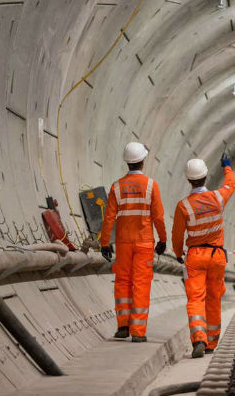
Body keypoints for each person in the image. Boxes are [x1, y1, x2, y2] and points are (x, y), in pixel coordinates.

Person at [100, 142, 167, 342]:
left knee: (122, 283)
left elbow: (109, 218)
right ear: (143, 161)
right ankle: (138, 331)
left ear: (127, 163)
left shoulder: (116, 186)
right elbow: (159, 217)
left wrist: (104, 242)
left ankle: (123, 326)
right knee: (141, 284)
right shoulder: (151, 185)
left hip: (123, 243)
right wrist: (163, 240)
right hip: (144, 242)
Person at [171, 155, 235, 358]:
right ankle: (212, 342)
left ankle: (199, 338)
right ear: (206, 176)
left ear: (188, 180)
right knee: (214, 297)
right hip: (216, 256)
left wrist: (177, 252)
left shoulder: (184, 206)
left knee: (196, 299)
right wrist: (227, 166)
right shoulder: (218, 197)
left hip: (195, 256)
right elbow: (230, 184)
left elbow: (177, 233)